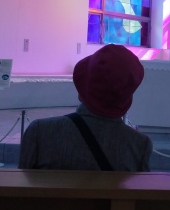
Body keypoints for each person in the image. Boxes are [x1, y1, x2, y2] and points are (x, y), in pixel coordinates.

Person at [18, 43, 152, 171]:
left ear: (81, 92)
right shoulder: (139, 146)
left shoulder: (40, 133)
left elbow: (21, 183)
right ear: (127, 97)